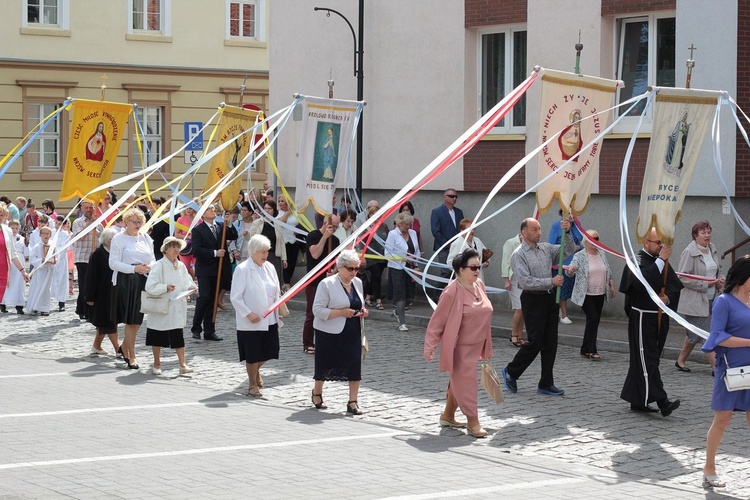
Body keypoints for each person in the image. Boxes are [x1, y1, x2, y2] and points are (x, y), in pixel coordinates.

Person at [424, 249, 494, 438]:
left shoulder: (479, 285)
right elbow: (437, 320)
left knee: (459, 381)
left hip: (477, 344)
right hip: (460, 347)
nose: (477, 270)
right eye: (473, 267)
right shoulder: (451, 292)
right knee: (467, 383)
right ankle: (473, 422)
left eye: (479, 266)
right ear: (461, 269)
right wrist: (430, 346)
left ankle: (447, 415)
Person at [501, 217, 575, 397]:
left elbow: (569, 250)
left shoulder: (546, 248)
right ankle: (511, 371)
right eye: (534, 229)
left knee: (551, 342)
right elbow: (525, 282)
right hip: (533, 300)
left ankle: (546, 383)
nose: (538, 232)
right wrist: (550, 281)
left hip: (549, 299)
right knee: (535, 342)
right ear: (524, 232)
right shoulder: (518, 254)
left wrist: (567, 232)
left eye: (539, 228)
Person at [619, 227, 683, 416]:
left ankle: (637, 400)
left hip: (659, 317)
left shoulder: (662, 262)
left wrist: (668, 299)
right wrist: (661, 260)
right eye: (657, 243)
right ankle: (663, 401)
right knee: (647, 359)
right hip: (642, 317)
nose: (661, 246)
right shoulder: (636, 260)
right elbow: (640, 283)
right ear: (646, 242)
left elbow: (674, 287)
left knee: (646, 359)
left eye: (662, 243)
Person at [700, 255, 750, 490]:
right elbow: (717, 337)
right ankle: (709, 469)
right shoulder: (724, 301)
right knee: (723, 419)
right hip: (730, 369)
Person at [310, 250, 369, 414]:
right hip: (328, 332)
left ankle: (353, 402)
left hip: (353, 331)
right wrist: (341, 312)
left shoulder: (357, 283)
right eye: (350, 269)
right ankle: (317, 392)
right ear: (340, 267)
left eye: (356, 268)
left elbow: (357, 304)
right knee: (324, 364)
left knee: (354, 365)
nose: (353, 272)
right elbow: (317, 310)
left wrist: (362, 310)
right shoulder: (326, 284)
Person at [230, 235, 284, 397]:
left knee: (271, 350)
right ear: (253, 251)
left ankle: (255, 372)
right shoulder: (242, 269)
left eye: (267, 251)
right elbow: (235, 297)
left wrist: (278, 311)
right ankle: (252, 385)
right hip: (251, 320)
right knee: (253, 354)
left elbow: (276, 291)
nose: (265, 255)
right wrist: (248, 313)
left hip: (270, 318)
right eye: (262, 252)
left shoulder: (270, 267)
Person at [109, 208, 156, 370]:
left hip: (143, 280)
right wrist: (134, 269)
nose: (137, 225)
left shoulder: (146, 238)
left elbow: (154, 259)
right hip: (126, 280)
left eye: (140, 222)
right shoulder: (119, 238)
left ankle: (124, 347)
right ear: (126, 222)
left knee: (137, 320)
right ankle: (131, 355)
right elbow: (113, 263)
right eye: (134, 222)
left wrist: (149, 267)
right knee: (131, 320)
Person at [145, 237, 197, 376]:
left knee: (178, 336)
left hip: (177, 306)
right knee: (157, 335)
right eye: (172, 246)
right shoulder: (158, 265)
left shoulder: (180, 265)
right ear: (165, 249)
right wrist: (165, 287)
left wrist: (191, 287)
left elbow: (186, 281)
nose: (176, 250)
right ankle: (156, 363)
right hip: (161, 306)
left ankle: (182, 364)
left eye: (177, 247)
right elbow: (150, 286)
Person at [675, 221, 723, 373]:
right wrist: (705, 284)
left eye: (709, 232)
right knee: (706, 333)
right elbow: (682, 277)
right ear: (695, 235)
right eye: (703, 233)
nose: (707, 235)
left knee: (694, 333)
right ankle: (716, 366)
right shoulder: (689, 252)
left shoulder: (712, 248)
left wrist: (719, 281)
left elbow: (716, 270)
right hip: (694, 301)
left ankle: (680, 360)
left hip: (712, 299)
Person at [565, 230, 616, 360]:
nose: (595, 241)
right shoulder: (580, 255)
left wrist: (611, 286)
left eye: (597, 238)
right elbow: (571, 269)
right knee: (593, 318)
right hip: (585, 293)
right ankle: (592, 350)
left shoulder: (602, 253)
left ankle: (585, 348)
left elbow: (608, 270)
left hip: (600, 292)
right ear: (585, 241)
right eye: (592, 239)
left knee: (593, 321)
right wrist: (571, 270)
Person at [190, 203, 237, 341]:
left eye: (213, 209)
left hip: (219, 269)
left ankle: (209, 330)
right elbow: (197, 250)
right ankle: (196, 328)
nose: (212, 211)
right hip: (205, 269)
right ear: (203, 214)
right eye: (209, 209)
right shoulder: (198, 230)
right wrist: (215, 253)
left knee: (213, 299)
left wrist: (228, 224)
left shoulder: (221, 226)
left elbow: (233, 235)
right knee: (204, 297)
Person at [303, 215, 340, 354]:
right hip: (314, 281)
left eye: (337, 227)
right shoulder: (313, 235)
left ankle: (325, 341)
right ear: (325, 224)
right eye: (333, 226)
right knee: (312, 313)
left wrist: (335, 272)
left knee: (328, 313)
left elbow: (337, 262)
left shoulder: (335, 240)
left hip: (329, 281)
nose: (335, 230)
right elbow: (315, 254)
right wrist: (324, 237)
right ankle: (307, 342)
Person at [85, 228, 121, 357]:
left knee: (106, 321)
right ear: (107, 241)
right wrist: (90, 295)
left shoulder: (117, 253)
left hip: (114, 292)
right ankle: (118, 349)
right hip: (102, 294)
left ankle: (96, 346)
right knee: (108, 321)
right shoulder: (98, 254)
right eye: (113, 240)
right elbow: (91, 276)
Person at [385, 212, 421, 332]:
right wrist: (404, 258)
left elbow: (416, 250)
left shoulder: (413, 233)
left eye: (410, 224)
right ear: (399, 223)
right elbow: (387, 254)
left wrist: (416, 263)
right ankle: (402, 322)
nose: (409, 227)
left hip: (410, 268)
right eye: (406, 224)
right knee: (401, 296)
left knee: (410, 296)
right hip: (397, 269)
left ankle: (397, 312)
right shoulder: (393, 234)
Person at [548, 209, 583, 324]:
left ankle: (558, 311)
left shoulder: (577, 226)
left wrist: (579, 247)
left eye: (573, 213)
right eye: (568, 213)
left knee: (567, 289)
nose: (571, 215)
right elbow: (551, 245)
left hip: (572, 263)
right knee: (561, 289)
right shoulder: (556, 226)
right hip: (560, 263)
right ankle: (563, 314)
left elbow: (580, 242)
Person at [72, 200, 102, 320]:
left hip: (94, 258)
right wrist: (91, 224)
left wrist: (96, 225)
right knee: (84, 285)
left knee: (93, 285)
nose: (89, 210)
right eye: (86, 208)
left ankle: (86, 309)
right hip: (82, 258)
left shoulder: (99, 222)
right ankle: (84, 309)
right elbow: (80, 236)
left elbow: (102, 237)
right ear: (81, 208)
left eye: (91, 208)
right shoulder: (77, 222)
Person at [247, 200, 287, 285]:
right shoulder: (257, 223)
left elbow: (281, 242)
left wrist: (284, 258)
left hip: (274, 256)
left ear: (274, 210)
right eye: (265, 208)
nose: (267, 210)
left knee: (274, 281)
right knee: (260, 280)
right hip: (259, 255)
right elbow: (251, 238)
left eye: (270, 208)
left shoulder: (277, 224)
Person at [0, 204, 29, 313]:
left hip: (4, 270)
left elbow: (13, 253)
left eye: (3, 215)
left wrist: (23, 271)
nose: (1, 217)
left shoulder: (7, 230)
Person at [430, 188, 464, 277]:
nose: (454, 198)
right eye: (452, 196)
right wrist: (448, 244)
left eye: (456, 197)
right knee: (446, 272)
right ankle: (438, 291)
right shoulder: (437, 212)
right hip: (444, 248)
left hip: (457, 247)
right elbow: (435, 230)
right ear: (445, 197)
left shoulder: (459, 212)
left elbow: (462, 228)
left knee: (457, 272)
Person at [502, 232, 526, 347]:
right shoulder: (511, 242)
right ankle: (513, 335)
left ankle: (520, 335)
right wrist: (506, 279)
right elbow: (506, 262)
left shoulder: (529, 243)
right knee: (519, 307)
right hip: (514, 278)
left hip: (524, 279)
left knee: (524, 308)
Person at [363, 205, 388, 311]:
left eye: (377, 213)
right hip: (370, 256)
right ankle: (378, 300)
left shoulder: (384, 226)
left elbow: (388, 240)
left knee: (374, 278)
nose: (375, 215)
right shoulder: (366, 227)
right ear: (369, 215)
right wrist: (363, 255)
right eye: (373, 213)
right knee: (376, 276)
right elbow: (362, 242)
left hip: (381, 256)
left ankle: (368, 296)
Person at [26, 226, 55, 316]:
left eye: (48, 233)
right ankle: (35, 306)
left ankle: (44, 308)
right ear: (40, 235)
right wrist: (40, 261)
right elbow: (32, 258)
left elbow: (56, 257)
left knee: (46, 289)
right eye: (44, 233)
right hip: (40, 271)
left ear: (51, 235)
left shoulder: (53, 246)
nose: (46, 235)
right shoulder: (37, 247)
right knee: (37, 288)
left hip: (49, 270)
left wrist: (54, 261)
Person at [276, 194, 301, 293]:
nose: (281, 203)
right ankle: (286, 283)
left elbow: (301, 224)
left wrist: (298, 231)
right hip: (283, 242)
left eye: (283, 201)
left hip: (294, 242)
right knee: (284, 263)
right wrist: (286, 214)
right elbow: (278, 224)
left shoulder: (296, 213)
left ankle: (287, 281)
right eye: (279, 201)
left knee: (292, 263)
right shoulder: (278, 213)